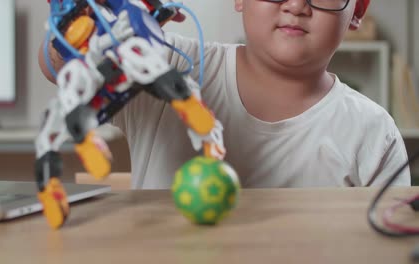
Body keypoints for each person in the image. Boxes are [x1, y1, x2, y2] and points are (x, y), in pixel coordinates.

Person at [39, 0, 411, 189]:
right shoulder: (169, 61)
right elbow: (57, 64)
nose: (297, 4)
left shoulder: (372, 132)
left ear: (358, 9)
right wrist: (91, 21)